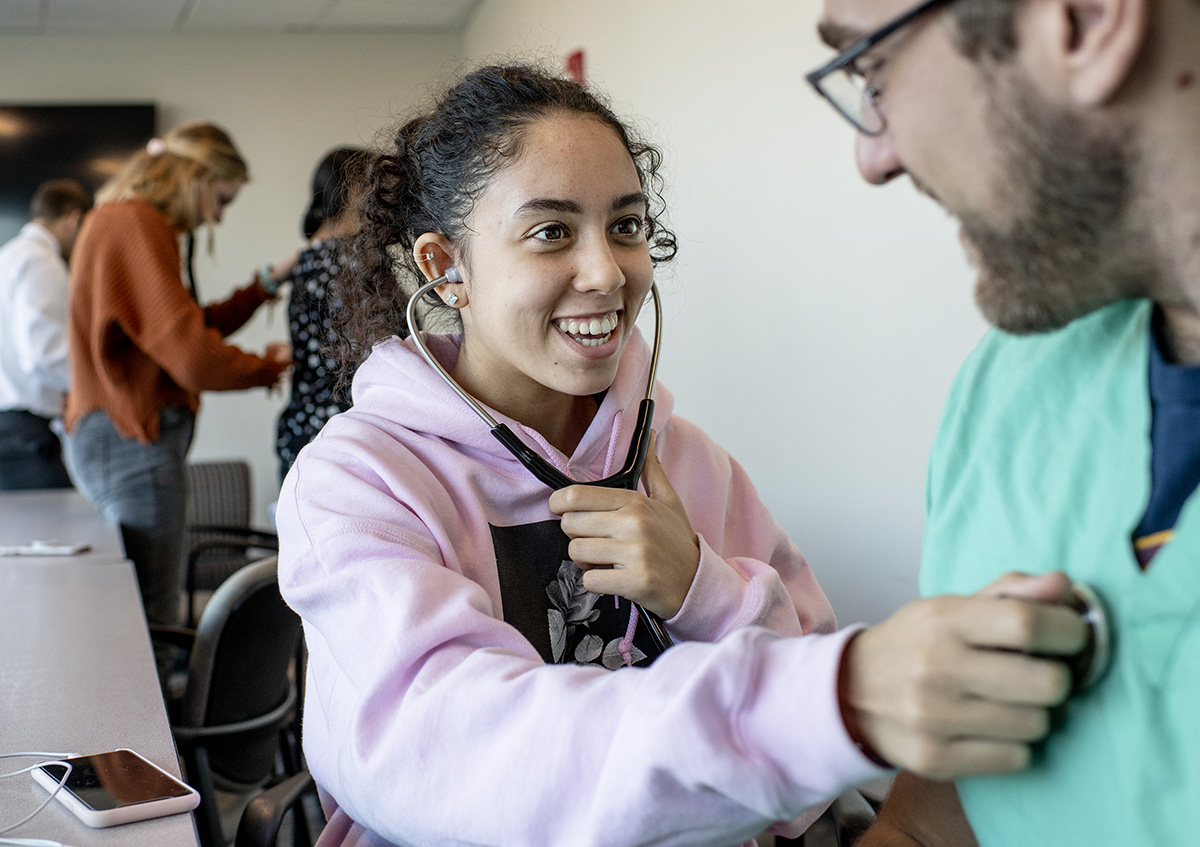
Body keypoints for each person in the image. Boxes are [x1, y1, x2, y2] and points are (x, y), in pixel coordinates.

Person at [276, 64, 1090, 847]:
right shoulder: (359, 483)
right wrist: (842, 700)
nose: (606, 272)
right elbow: (454, 759)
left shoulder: (688, 461)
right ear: (446, 265)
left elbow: (806, 795)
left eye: (625, 226)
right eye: (551, 231)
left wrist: (703, 586)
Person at [806, 0, 1200, 844]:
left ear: (1087, 21)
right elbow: (929, 822)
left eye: (872, 69)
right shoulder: (1010, 384)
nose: (871, 157)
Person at [63, 121, 293, 628]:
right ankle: (160, 708)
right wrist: (270, 366)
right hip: (131, 442)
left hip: (114, 439)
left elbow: (183, 328)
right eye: (222, 200)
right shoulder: (137, 224)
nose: (217, 217)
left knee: (141, 608)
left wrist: (262, 285)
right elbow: (191, 353)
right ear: (196, 175)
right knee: (154, 615)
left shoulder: (119, 221)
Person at [275, 146, 365, 483]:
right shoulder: (351, 261)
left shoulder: (307, 258)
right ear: (356, 191)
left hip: (305, 430)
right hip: (344, 437)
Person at [0, 179, 92, 490]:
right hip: (22, 432)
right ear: (74, 220)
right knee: (59, 529)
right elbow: (45, 353)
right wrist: (95, 388)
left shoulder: (8, 255)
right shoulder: (42, 261)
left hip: (11, 427)